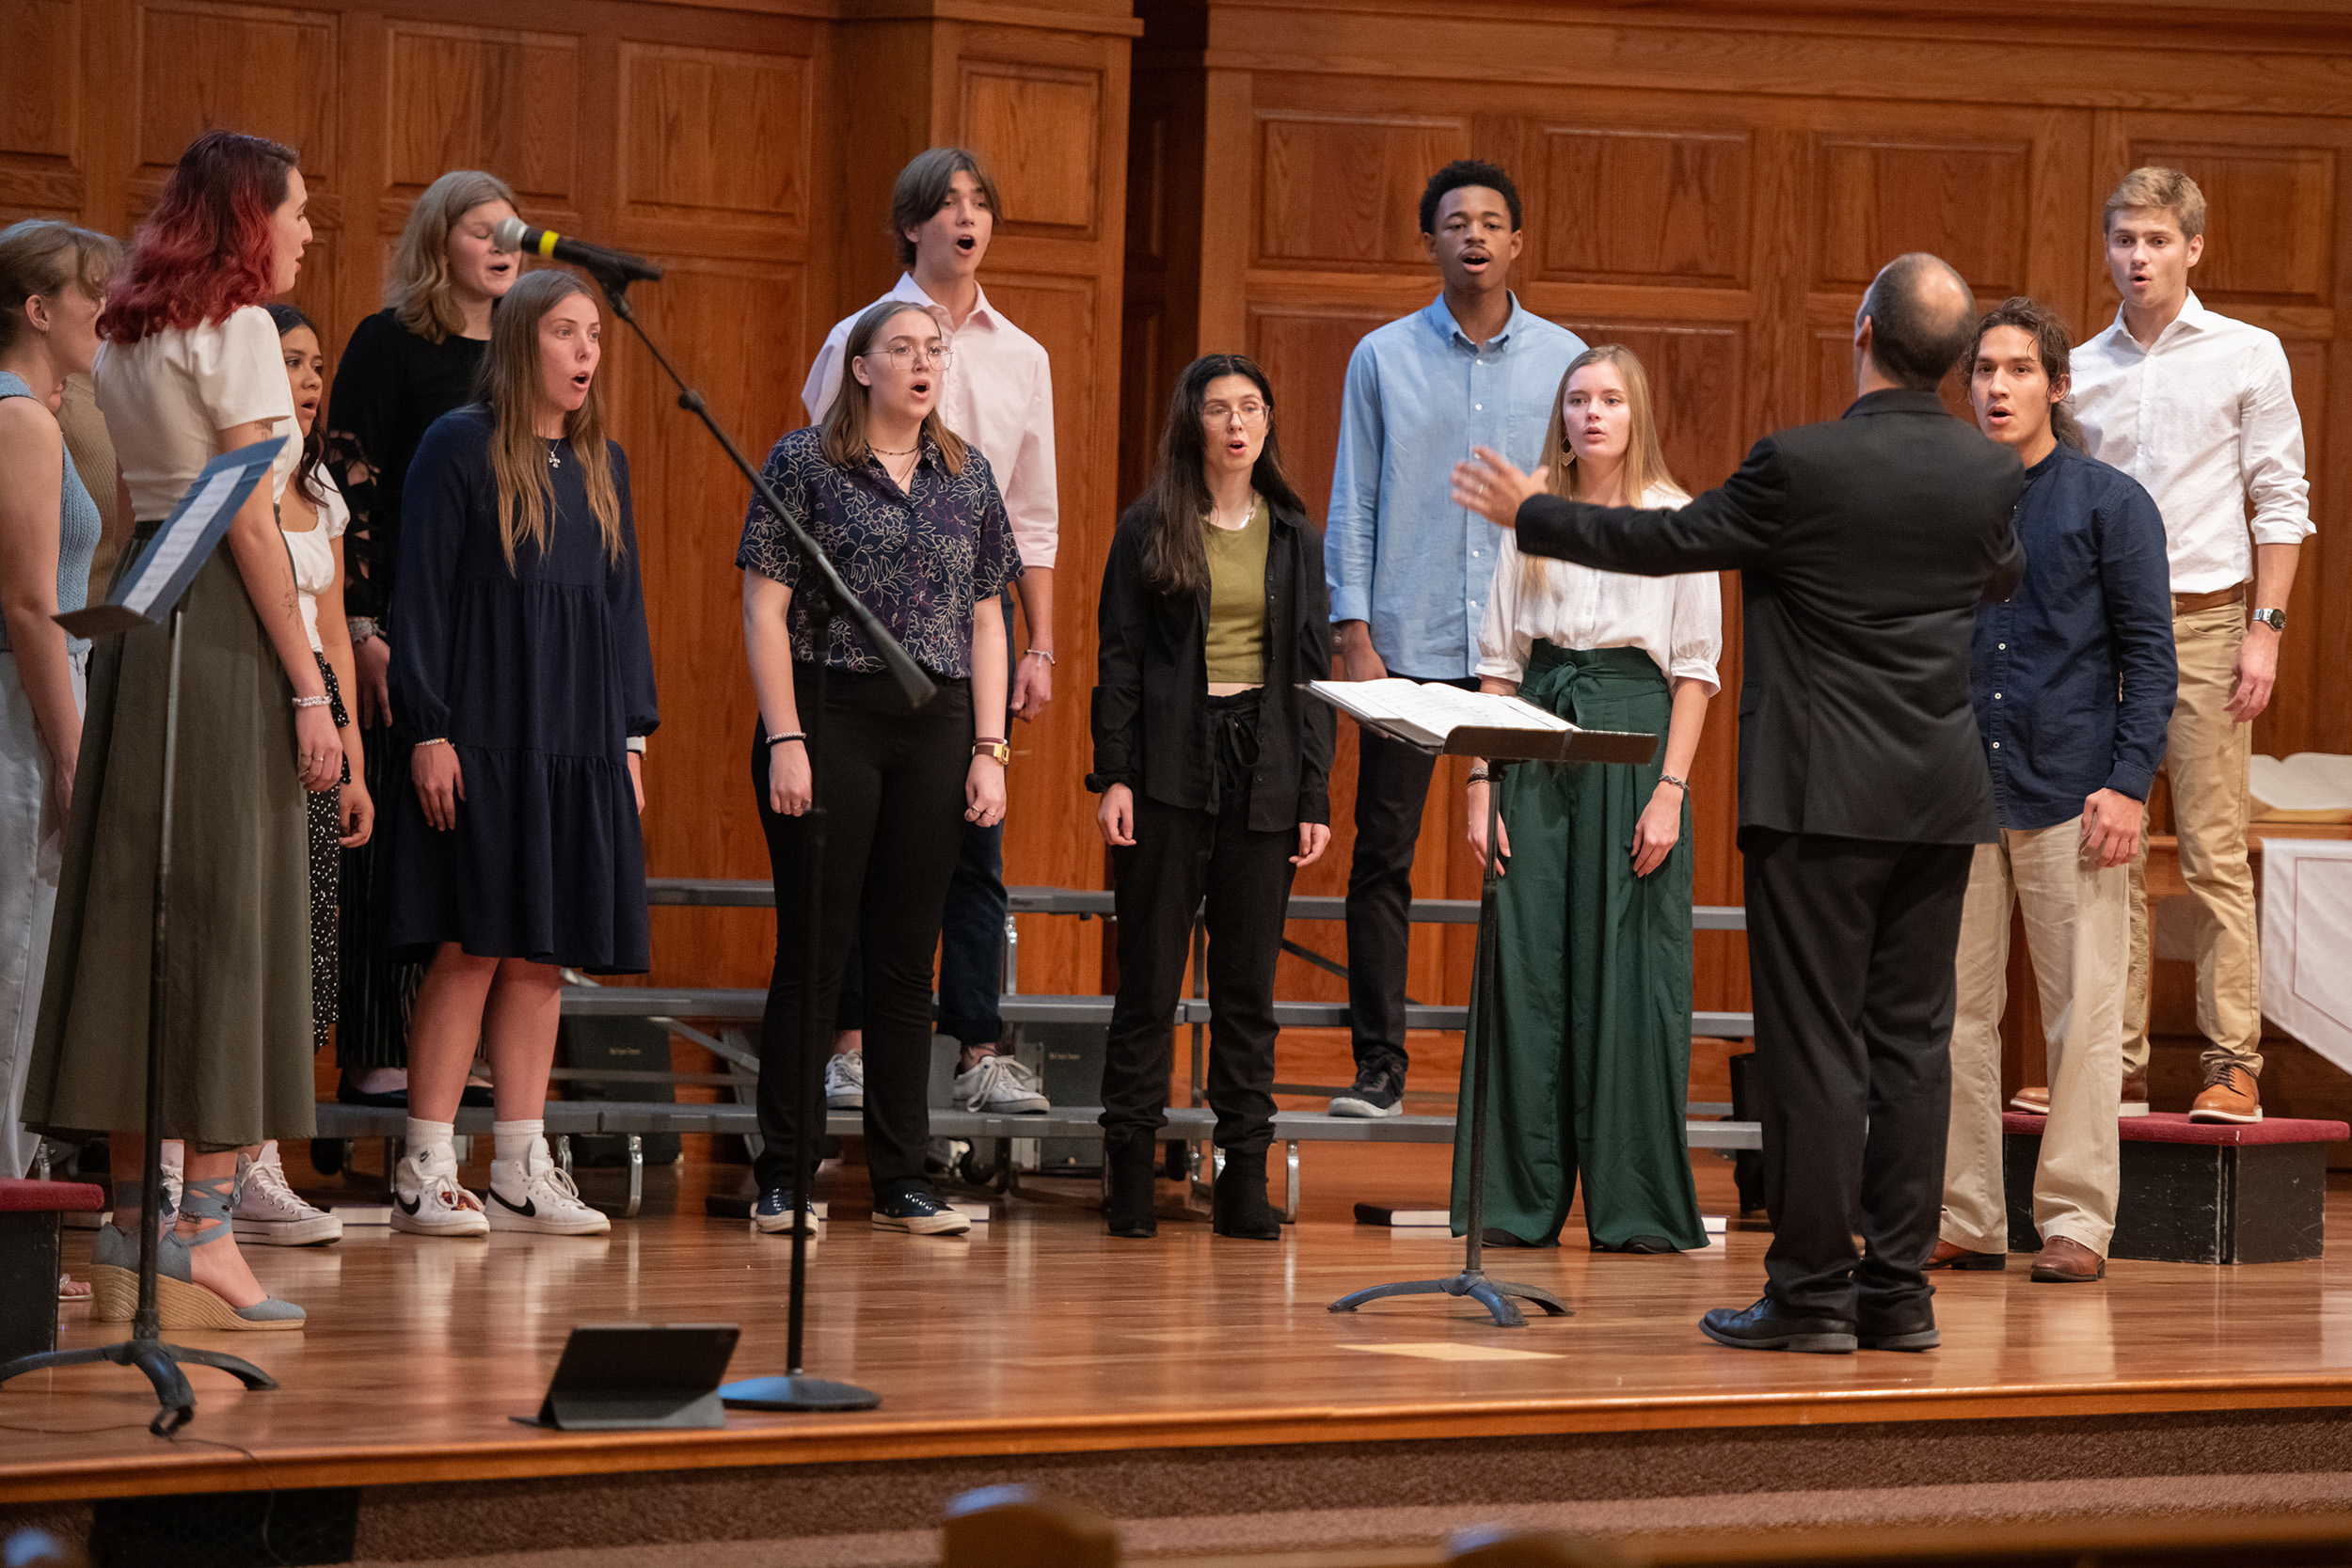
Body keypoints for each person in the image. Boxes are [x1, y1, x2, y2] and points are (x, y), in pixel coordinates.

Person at [1454, 252, 2025, 1355]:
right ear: (1955, 361)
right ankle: (1897, 1296)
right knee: (1913, 1049)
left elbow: (1666, 541)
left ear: (1860, 327)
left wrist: (1536, 510)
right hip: (1938, 795)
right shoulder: (1986, 471)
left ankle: (1812, 1294)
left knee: (1814, 1049)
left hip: (1818, 797)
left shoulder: (1801, 465)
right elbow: (1995, 575)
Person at [26, 129, 340, 1330]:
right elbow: (256, 526)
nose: (308, 231)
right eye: (297, 211)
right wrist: (310, 684)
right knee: (231, 913)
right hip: (217, 619)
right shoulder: (244, 331)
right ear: (250, 219)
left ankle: (126, 1215)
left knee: (137, 911)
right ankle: (201, 1227)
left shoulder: (127, 331)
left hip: (142, 612)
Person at [384, 268, 654, 1240]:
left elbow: (620, 609)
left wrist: (627, 734)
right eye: (564, 333)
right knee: (472, 944)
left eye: (593, 335)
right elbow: (420, 597)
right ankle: (425, 1161)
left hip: (575, 737)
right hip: (482, 729)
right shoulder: (457, 448)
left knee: (542, 955)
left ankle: (520, 1161)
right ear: (519, 344)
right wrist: (428, 728)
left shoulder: (602, 463)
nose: (585, 351)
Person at [740, 298, 1019, 1238]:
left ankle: (903, 1176)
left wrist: (990, 748)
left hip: (935, 721)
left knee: (907, 962)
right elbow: (764, 608)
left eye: (932, 349)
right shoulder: (804, 463)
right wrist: (784, 736)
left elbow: (988, 620)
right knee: (816, 954)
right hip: (829, 712)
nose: (921, 362)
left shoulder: (965, 472)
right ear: (858, 366)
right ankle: (784, 1174)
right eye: (901, 348)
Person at [1324, 158, 1584, 1117]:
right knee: (1382, 853)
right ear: (1429, 239)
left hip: (1527, 648)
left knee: (1530, 861)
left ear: (1517, 242)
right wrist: (1352, 629)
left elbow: (1583, 502)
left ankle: (1526, 1078)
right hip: (1408, 639)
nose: (1473, 235)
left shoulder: (1566, 359)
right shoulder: (1380, 357)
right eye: (1454, 221)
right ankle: (1379, 1067)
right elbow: (1353, 496)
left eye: (1490, 221)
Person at [800, 148, 1056, 1118]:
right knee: (865, 856)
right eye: (946, 204)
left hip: (969, 647)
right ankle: (852, 1045)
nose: (966, 216)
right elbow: (817, 484)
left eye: (980, 203)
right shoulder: (853, 336)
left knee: (975, 849)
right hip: (862, 651)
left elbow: (1035, 516)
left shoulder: (1022, 354)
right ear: (911, 224)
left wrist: (1039, 644)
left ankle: (978, 1047)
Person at [1454, 345, 1719, 1254]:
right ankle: (1514, 1201)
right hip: (1535, 737)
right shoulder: (1530, 519)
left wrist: (1671, 792)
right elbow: (1498, 665)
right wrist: (1480, 782)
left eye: (1610, 399)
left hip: (1634, 741)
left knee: (1628, 970)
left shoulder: (1677, 521)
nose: (1592, 414)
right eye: (1577, 399)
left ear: (1636, 412)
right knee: (1526, 968)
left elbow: (1693, 674)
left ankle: (1633, 1201)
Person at [1933, 298, 2175, 1285]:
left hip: (2074, 791)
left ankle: (2076, 1217)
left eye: (2017, 370)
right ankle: (1965, 1213)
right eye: (1983, 370)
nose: (1995, 387)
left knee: (2083, 1017)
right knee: (1950, 1015)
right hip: (1955, 789)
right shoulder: (1945, 497)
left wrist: (2127, 783)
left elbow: (2151, 662)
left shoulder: (2110, 502)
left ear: (2058, 385)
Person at [2064, 167, 2312, 1126]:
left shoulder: (2247, 354)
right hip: (2103, 632)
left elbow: (2279, 498)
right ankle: (2115, 1067)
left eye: (2157, 240)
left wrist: (2266, 629)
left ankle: (2229, 1061)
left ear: (2193, 248)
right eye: (2123, 239)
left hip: (2209, 619)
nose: (2138, 256)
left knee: (2211, 852)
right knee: (2107, 852)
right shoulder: (2081, 368)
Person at [1090, 355, 1334, 1241]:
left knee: (1246, 988)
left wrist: (1314, 790)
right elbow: (1119, 656)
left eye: (1252, 408)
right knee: (1150, 979)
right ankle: (1128, 1171)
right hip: (1166, 769)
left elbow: (1313, 671)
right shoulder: (1150, 525)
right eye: (1219, 409)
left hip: (1263, 771)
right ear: (1191, 423)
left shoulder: (1295, 536)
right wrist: (1111, 772)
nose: (1237, 423)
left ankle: (1242, 1177)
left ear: (1267, 424)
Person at [326, 169, 519, 1107]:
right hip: (401, 620)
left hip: (496, 637)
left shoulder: (526, 355)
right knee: (393, 834)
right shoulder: (391, 342)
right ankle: (373, 1044)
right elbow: (346, 487)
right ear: (440, 242)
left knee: (468, 841)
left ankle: (448, 1047)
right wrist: (361, 626)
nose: (502, 242)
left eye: (511, 230)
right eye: (481, 229)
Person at [219, 303, 376, 1248]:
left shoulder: (321, 489)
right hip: (247, 712)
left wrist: (353, 758)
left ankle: (261, 1160)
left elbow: (333, 639)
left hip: (317, 733)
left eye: (316, 362)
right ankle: (217, 1162)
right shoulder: (238, 478)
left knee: (300, 949)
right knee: (238, 938)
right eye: (288, 359)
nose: (310, 377)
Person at [0, 221, 116, 1187]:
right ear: (38, 310)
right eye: (91, 295)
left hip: (38, 692)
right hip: (21, 705)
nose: (106, 312)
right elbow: (31, 605)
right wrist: (74, 752)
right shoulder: (20, 420)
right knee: (12, 967)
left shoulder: (34, 409)